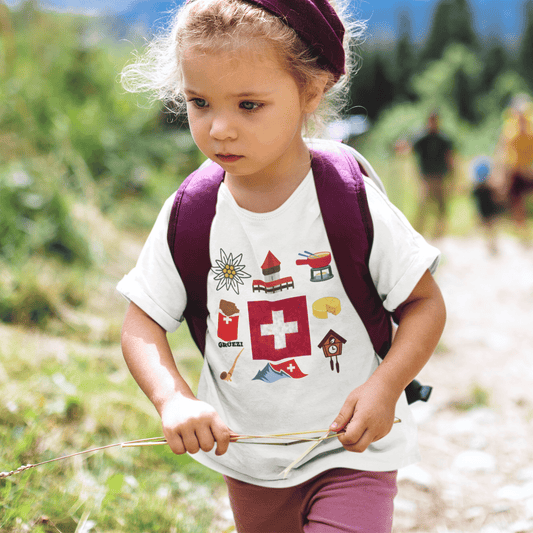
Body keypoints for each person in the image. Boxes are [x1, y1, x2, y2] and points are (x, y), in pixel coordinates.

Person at [117, 1, 447, 531]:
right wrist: (173, 399)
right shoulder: (192, 210)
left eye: (249, 105)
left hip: (352, 451)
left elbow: (424, 304)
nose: (219, 128)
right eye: (199, 102)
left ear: (310, 93)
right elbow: (142, 322)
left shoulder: (347, 199)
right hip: (250, 461)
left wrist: (386, 386)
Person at [412, 111, 455, 239]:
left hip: (440, 177)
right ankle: (418, 233)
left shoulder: (443, 139)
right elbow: (410, 149)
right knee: (423, 206)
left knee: (441, 207)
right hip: (426, 178)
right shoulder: (422, 139)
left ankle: (438, 234)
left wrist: (452, 176)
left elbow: (450, 158)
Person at [496, 95, 533, 243]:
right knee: (516, 202)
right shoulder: (509, 128)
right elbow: (502, 149)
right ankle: (522, 234)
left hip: (529, 170)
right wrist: (500, 171)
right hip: (514, 171)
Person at [470, 156, 502, 255]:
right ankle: (491, 244)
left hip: (486, 212)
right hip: (488, 211)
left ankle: (491, 244)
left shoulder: (477, 189)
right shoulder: (489, 188)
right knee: (490, 228)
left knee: (488, 228)